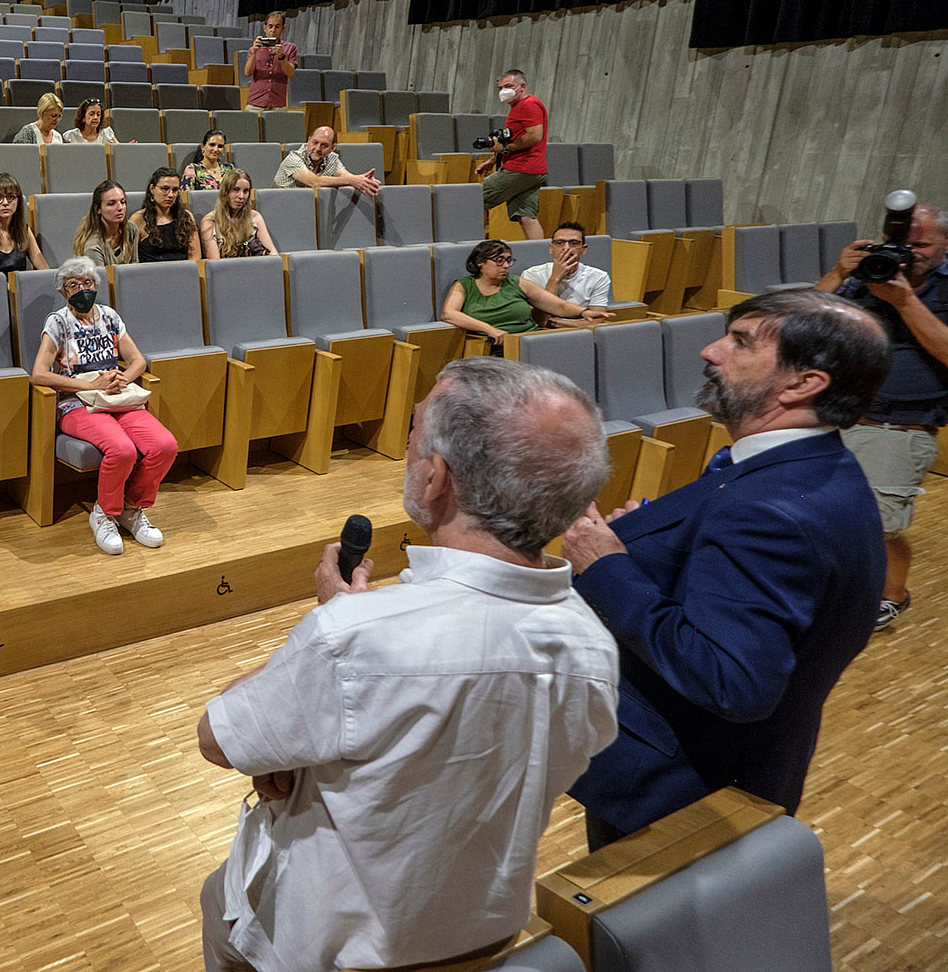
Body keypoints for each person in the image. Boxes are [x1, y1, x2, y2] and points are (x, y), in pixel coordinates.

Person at [196, 356, 618, 972]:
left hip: (319, 949)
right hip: (484, 938)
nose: (409, 449)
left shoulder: (359, 639)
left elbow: (219, 737)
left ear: (435, 480)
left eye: (415, 433)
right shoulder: (592, 645)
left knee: (219, 897)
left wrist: (329, 626)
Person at [563, 290, 891, 847]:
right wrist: (650, 541)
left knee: (643, 933)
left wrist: (608, 565)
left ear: (802, 384)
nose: (710, 351)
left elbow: (733, 682)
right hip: (729, 769)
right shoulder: (816, 468)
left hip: (680, 788)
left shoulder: (767, 511)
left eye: (740, 342)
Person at [816, 201, 948, 630]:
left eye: (921, 244)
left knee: (879, 526)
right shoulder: (864, 278)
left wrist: (905, 301)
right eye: (899, 243)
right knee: (827, 515)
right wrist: (839, 274)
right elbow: (801, 320)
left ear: (945, 245)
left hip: (898, 427)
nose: (908, 253)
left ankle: (892, 595)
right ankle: (832, 587)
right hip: (838, 417)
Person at [30, 257, 176, 555]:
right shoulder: (57, 322)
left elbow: (137, 360)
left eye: (87, 283)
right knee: (121, 450)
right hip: (76, 404)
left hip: (117, 398)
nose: (82, 289)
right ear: (64, 292)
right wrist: (90, 385)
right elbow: (39, 374)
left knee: (164, 445)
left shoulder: (109, 316)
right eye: (73, 285)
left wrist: (120, 378)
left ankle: (131, 507)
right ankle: (104, 513)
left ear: (96, 285)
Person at [441, 239, 610, 345]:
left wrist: (584, 312)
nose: (506, 265)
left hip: (530, 340)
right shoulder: (464, 286)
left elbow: (557, 305)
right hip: (494, 345)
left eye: (508, 260)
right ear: (480, 262)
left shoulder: (517, 283)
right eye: (499, 261)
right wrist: (488, 329)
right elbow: (449, 314)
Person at [476, 68, 549, 241]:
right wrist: (493, 160)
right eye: (500, 88)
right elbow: (513, 139)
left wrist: (505, 149)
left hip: (521, 168)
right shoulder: (518, 107)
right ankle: (539, 258)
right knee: (526, 216)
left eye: (508, 86)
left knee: (474, 200)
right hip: (533, 170)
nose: (503, 91)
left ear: (522, 86)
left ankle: (475, 250)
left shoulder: (528, 104)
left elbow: (534, 136)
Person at [521, 222, 614, 326]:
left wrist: (557, 323)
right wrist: (555, 279)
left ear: (583, 249)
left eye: (574, 243)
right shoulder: (531, 275)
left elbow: (596, 321)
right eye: (559, 242)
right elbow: (538, 321)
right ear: (551, 248)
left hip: (580, 334)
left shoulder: (599, 277)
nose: (566, 248)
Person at [273, 125, 380, 196]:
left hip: (309, 208)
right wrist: (353, 181)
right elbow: (314, 182)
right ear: (308, 140)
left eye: (324, 145)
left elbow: (346, 176)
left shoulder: (332, 158)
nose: (318, 148)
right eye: (315, 142)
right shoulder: (294, 158)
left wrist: (365, 181)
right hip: (282, 205)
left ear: (333, 148)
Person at [200, 169, 277, 259]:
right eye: (236, 190)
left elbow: (273, 254)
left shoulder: (255, 217)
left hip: (255, 269)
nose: (241, 196)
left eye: (245, 191)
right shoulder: (210, 221)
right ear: (225, 192)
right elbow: (215, 264)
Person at [130, 167, 201, 263]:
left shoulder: (186, 217)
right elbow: (131, 260)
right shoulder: (138, 219)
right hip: (149, 275)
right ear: (152, 189)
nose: (171, 195)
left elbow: (195, 257)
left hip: (183, 274)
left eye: (175, 190)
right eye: (165, 189)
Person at [72, 180, 140, 266]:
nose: (120, 208)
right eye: (111, 204)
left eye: (122, 202)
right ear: (98, 209)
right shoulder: (93, 247)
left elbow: (135, 267)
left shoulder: (131, 229)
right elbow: (101, 278)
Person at [243, 11, 298, 111]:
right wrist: (254, 52)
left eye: (277, 27)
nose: (273, 30)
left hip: (278, 103)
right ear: (265, 28)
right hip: (256, 102)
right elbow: (247, 72)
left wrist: (282, 57)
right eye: (270, 26)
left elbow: (290, 73)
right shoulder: (255, 48)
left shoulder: (290, 48)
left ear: (283, 28)